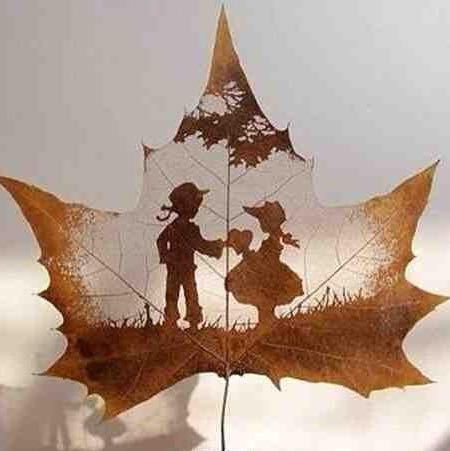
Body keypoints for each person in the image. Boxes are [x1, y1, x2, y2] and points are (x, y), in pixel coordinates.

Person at [157, 182, 224, 328]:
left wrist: (166, 256)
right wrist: (217, 247)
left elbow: (161, 240)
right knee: (186, 294)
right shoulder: (188, 229)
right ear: (189, 206)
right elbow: (201, 246)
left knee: (180, 294)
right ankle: (186, 322)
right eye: (196, 204)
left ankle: (174, 322)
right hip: (183, 268)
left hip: (179, 268)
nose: (197, 208)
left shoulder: (174, 227)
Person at [226, 201, 303, 324]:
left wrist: (286, 239)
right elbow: (276, 236)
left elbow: (276, 238)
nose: (261, 224)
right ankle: (266, 321)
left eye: (262, 220)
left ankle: (268, 320)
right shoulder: (272, 239)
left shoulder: (272, 239)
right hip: (264, 270)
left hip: (270, 271)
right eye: (261, 220)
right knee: (264, 298)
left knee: (267, 297)